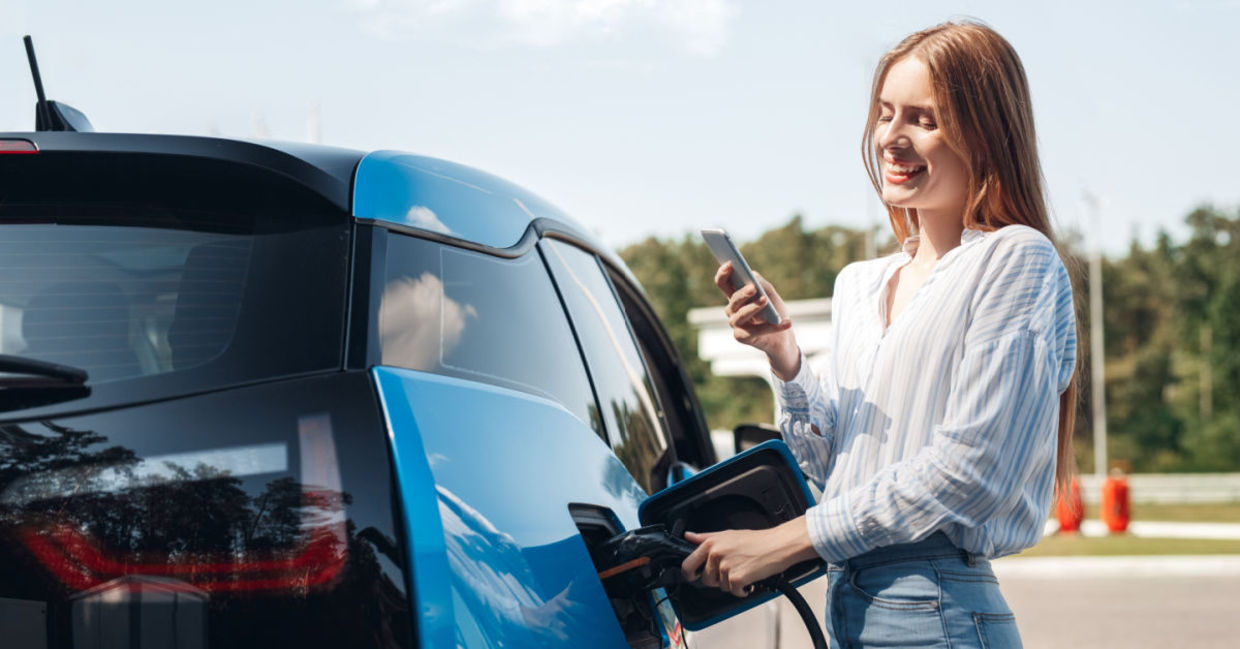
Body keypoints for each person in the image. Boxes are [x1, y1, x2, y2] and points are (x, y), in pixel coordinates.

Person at [681, 21, 1077, 648]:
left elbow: (971, 471)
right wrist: (787, 361)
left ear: (987, 132)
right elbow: (830, 469)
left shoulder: (1015, 261)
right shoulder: (860, 284)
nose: (891, 137)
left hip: (937, 609)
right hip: (850, 603)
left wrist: (782, 544)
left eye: (924, 118)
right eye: (886, 113)